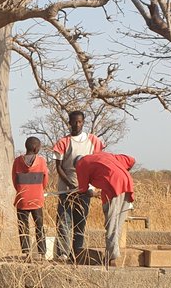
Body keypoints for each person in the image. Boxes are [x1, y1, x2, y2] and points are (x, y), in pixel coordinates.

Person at [50, 111, 104, 262]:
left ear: (83, 122)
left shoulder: (93, 141)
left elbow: (97, 163)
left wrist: (90, 186)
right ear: (69, 123)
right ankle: (63, 254)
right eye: (74, 122)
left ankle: (77, 253)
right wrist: (70, 184)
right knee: (64, 221)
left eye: (79, 122)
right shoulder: (63, 142)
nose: (77, 125)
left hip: (85, 189)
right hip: (66, 188)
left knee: (80, 222)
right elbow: (59, 167)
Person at [75, 151, 136, 265]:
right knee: (118, 224)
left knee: (111, 223)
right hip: (127, 183)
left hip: (112, 187)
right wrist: (121, 174)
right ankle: (113, 254)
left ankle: (111, 256)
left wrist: (93, 193)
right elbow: (131, 159)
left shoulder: (80, 164)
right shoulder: (104, 155)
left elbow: (83, 189)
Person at [11, 136, 49, 258]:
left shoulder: (17, 161)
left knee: (23, 226)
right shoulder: (41, 161)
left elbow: (14, 180)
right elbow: (45, 180)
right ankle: (42, 253)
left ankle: (26, 252)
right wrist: (39, 189)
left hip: (22, 198)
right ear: (35, 147)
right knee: (39, 225)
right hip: (37, 198)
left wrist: (21, 190)